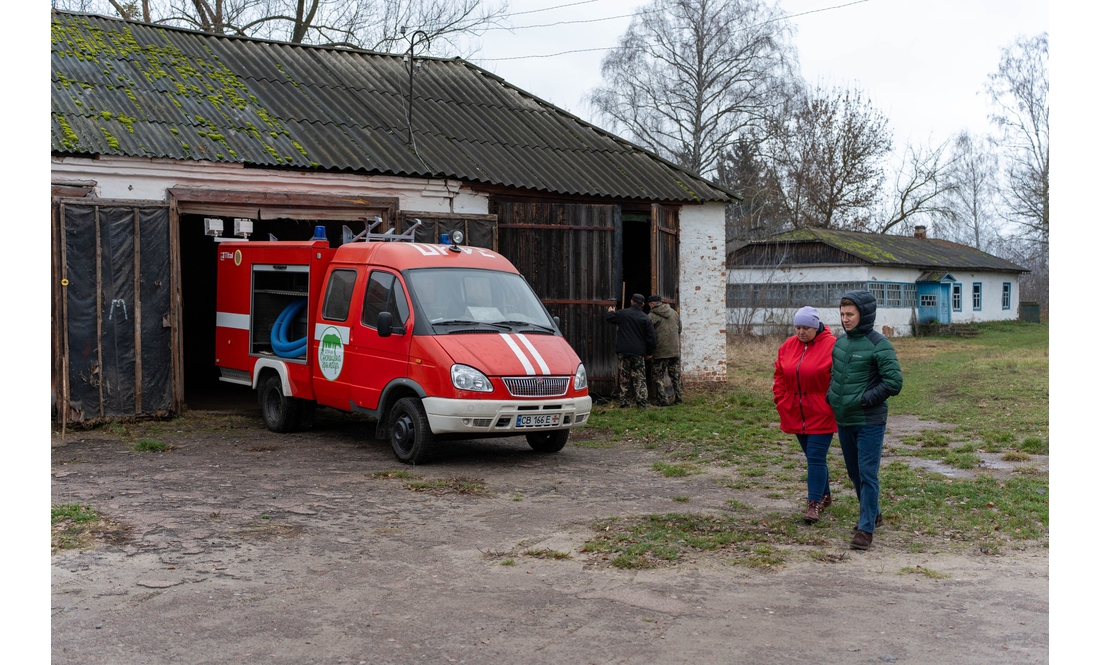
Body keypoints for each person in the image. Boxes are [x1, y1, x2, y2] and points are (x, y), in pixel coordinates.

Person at [827, 290, 903, 551]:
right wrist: (832, 396)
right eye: (842, 314)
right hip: (844, 419)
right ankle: (874, 513)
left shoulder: (879, 344)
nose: (845, 319)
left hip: (869, 420)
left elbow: (894, 382)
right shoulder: (840, 344)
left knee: (868, 474)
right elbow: (834, 376)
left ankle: (865, 528)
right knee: (854, 473)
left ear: (864, 314)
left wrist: (863, 399)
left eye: (850, 314)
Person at [773, 306, 837, 524]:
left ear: (816, 326)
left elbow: (840, 377)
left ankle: (813, 504)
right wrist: (780, 398)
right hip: (794, 411)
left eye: (806, 328)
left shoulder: (832, 345)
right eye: (797, 327)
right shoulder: (788, 346)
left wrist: (832, 401)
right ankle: (825, 495)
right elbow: (780, 373)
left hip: (822, 411)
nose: (801, 332)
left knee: (816, 457)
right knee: (812, 457)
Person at [605, 294, 656, 408]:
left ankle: (624, 402)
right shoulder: (645, 318)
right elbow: (651, 338)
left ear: (631, 301)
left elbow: (609, 318)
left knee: (624, 377)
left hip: (624, 351)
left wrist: (610, 311)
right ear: (643, 305)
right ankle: (641, 403)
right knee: (639, 378)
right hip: (638, 352)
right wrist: (649, 353)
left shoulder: (623, 313)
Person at [647, 294, 683, 406]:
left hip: (660, 351)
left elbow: (648, 334)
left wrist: (649, 350)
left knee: (658, 376)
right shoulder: (674, 313)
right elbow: (680, 329)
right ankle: (679, 398)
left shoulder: (651, 316)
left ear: (652, 303)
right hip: (674, 350)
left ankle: (663, 399)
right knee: (675, 376)